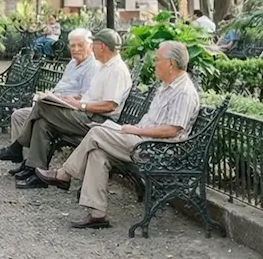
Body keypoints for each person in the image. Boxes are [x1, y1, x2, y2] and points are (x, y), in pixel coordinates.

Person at [35, 40, 201, 229]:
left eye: (157, 60)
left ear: (170, 63)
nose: (154, 64)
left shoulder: (183, 92)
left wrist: (136, 130)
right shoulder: (167, 87)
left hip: (156, 150)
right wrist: (134, 130)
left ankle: (64, 175)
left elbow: (172, 130)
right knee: (98, 153)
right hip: (142, 141)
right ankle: (97, 214)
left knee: (96, 132)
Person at [0, 28, 132, 188]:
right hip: (85, 114)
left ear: (102, 46)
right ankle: (36, 172)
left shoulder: (117, 70)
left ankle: (16, 148)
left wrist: (80, 105)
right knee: (42, 122)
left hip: (97, 121)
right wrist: (74, 100)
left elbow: (110, 105)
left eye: (94, 44)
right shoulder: (104, 67)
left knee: (43, 105)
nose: (92, 47)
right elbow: (93, 96)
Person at [0, 28, 97, 155]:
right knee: (18, 115)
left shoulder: (92, 67)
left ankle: (16, 149)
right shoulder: (73, 63)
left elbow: (85, 97)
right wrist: (50, 95)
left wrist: (62, 99)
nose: (76, 49)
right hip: (55, 105)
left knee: (40, 117)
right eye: (73, 46)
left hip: (69, 111)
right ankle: (22, 158)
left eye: (80, 45)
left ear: (90, 46)